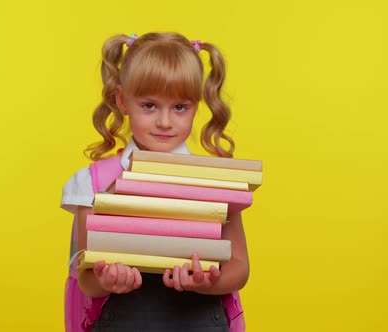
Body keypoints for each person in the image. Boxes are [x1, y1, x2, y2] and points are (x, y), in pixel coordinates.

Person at [61, 32, 249, 332]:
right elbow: (86, 279)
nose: (164, 121)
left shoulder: (214, 180)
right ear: (122, 100)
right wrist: (107, 279)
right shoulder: (91, 183)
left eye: (180, 107)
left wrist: (207, 282)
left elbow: (239, 267)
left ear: (196, 106)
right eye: (149, 105)